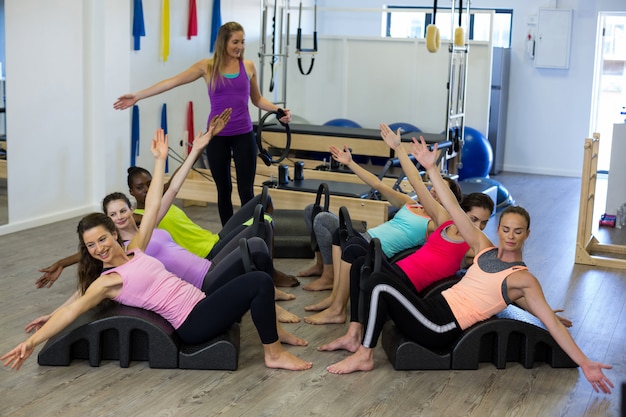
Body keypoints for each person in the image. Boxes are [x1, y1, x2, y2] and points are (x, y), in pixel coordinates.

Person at [324, 136, 614, 396]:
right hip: (432, 307)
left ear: (527, 234)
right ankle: (356, 339)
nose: (510, 237)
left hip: (441, 326)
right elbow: (451, 206)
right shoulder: (481, 246)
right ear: (498, 230)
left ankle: (364, 354)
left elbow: (550, 324)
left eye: (518, 231)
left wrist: (585, 362)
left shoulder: (523, 279)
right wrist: (432, 169)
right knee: (373, 273)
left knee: (379, 283)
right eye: (506, 229)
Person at [3, 129, 312, 372]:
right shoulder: (108, 281)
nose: (98, 249)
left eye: (102, 239)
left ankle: (274, 334)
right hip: (192, 322)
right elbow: (73, 308)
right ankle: (273, 353)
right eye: (91, 246)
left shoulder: (135, 249)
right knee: (257, 282)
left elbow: (152, 206)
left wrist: (160, 159)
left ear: (114, 235)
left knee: (251, 261)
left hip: (200, 302)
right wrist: (31, 342)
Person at [113, 21, 292, 226]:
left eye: (242, 42)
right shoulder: (206, 67)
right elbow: (171, 82)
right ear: (224, 42)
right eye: (235, 42)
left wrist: (278, 110)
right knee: (223, 189)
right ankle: (228, 236)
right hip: (216, 136)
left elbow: (257, 100)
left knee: (246, 190)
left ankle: (251, 233)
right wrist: (137, 95)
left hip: (243, 134)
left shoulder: (248, 66)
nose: (240, 46)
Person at [303, 140, 463, 324]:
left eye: (439, 191)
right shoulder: (411, 204)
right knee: (338, 232)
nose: (433, 192)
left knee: (342, 236)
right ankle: (333, 294)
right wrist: (350, 163)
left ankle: (336, 306)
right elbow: (378, 185)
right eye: (433, 188)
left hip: (376, 249)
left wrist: (401, 150)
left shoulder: (437, 223)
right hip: (366, 237)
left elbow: (420, 185)